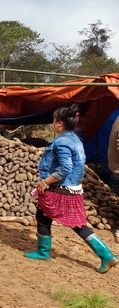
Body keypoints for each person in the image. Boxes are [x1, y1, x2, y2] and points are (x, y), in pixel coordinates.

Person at [25, 104, 119, 273]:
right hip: (71, 187)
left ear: (59, 123)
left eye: (54, 121)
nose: (53, 124)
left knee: (77, 224)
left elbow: (64, 169)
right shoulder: (75, 139)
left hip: (60, 188)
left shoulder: (62, 142)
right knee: (43, 215)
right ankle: (43, 250)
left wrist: (45, 182)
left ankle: (106, 255)